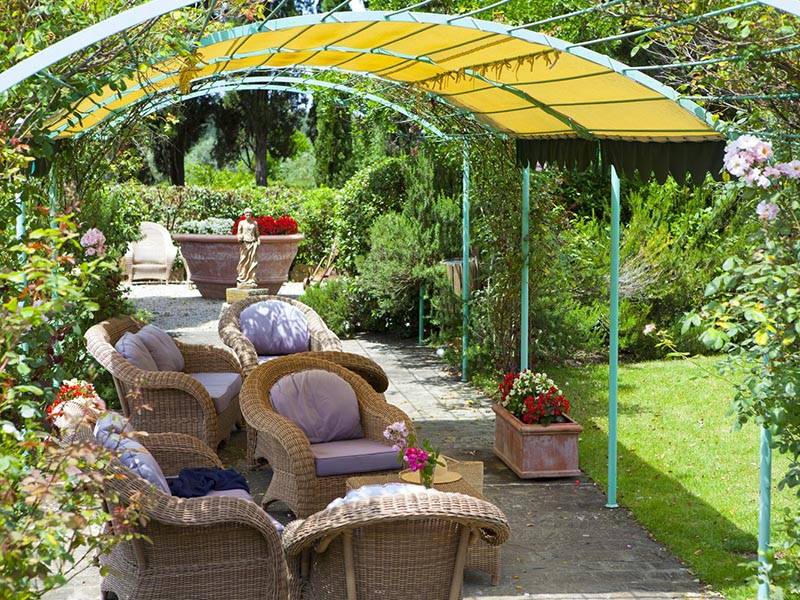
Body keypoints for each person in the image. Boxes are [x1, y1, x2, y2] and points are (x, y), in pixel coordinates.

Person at [236, 208, 259, 288]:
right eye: (246, 214)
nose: (248, 215)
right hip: (244, 244)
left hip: (253, 243)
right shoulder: (241, 223)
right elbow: (239, 233)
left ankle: (251, 278)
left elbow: (257, 234)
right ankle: (242, 277)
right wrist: (240, 237)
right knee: (243, 260)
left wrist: (258, 240)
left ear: (251, 214)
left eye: (249, 214)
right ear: (244, 214)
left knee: (252, 261)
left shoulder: (254, 223)